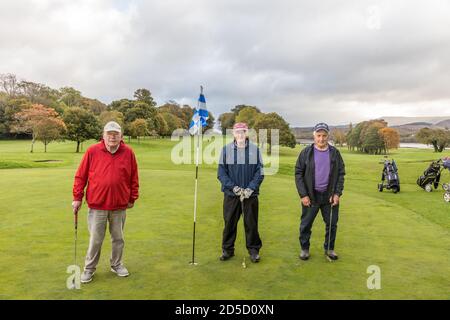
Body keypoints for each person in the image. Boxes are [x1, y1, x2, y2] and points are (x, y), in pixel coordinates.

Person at [72, 121, 139, 283]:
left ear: (121, 136)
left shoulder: (128, 152)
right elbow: (81, 176)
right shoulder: (92, 151)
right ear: (103, 135)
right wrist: (77, 197)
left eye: (115, 134)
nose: (112, 137)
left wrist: (132, 198)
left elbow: (134, 178)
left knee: (118, 238)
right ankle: (89, 269)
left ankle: (116, 264)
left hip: (119, 205)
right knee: (96, 239)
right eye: (109, 134)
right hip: (97, 205)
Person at [295, 122, 345, 261]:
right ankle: (304, 249)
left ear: (328, 136)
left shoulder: (335, 153)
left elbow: (341, 173)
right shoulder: (306, 153)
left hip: (329, 196)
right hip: (311, 196)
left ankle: (329, 248)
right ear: (314, 136)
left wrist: (337, 193)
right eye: (318, 135)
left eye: (324, 135)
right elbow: (298, 173)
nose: (321, 139)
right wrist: (303, 194)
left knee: (332, 223)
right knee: (306, 224)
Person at [217, 122, 264, 263]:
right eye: (238, 132)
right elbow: (221, 173)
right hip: (232, 195)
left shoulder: (255, 150)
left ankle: (254, 251)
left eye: (243, 132)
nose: (240, 134)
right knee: (230, 223)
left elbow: (259, 172)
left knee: (251, 224)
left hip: (250, 195)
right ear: (234, 134)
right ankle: (227, 250)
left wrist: (250, 188)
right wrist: (234, 188)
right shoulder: (226, 150)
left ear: (246, 133)